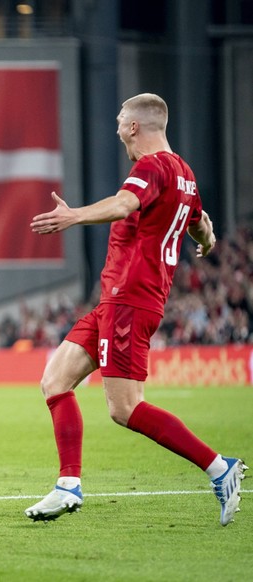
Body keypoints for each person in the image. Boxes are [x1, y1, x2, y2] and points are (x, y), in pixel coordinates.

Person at [25, 93, 246, 526]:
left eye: (120, 122)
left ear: (133, 128)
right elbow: (202, 224)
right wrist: (206, 243)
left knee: (124, 408)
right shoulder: (184, 173)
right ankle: (68, 486)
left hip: (132, 299)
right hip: (115, 299)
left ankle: (220, 468)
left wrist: (73, 217)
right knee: (54, 380)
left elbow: (126, 204)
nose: (117, 130)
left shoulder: (150, 168)